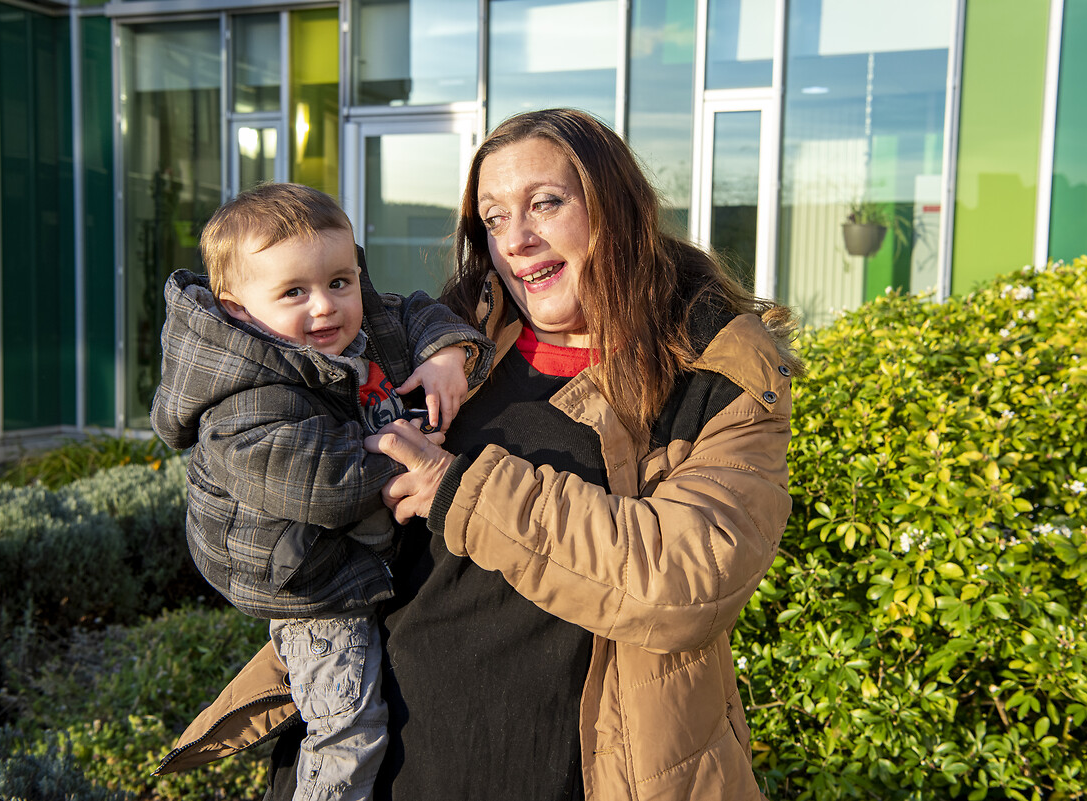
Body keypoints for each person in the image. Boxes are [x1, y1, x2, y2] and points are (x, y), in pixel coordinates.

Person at [159, 110, 802, 801]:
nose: (517, 240)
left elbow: (687, 581)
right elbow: (275, 439)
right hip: (381, 764)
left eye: (546, 204)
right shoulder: (459, 340)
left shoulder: (721, 376)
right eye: (494, 219)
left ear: (616, 207)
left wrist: (460, 489)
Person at [148, 182, 494, 801]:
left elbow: (410, 310)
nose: (326, 306)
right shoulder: (245, 398)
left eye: (339, 281)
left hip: (337, 540)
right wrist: (403, 455)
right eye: (294, 293)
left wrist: (449, 354)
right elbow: (320, 483)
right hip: (305, 574)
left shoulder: (344, 333)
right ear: (238, 310)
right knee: (350, 724)